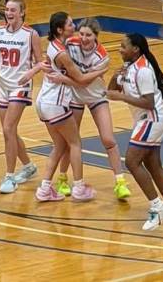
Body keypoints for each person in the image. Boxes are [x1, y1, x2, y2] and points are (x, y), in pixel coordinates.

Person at [106, 33, 163, 232]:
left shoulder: (143, 70)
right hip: (146, 119)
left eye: (123, 46)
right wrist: (115, 76)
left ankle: (157, 206)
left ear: (135, 49)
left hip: (152, 118)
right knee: (153, 164)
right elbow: (111, 91)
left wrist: (122, 97)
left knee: (132, 161)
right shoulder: (129, 67)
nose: (119, 49)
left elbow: (148, 102)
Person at [30, 12, 108, 202]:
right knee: (75, 143)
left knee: (59, 146)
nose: (74, 27)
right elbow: (80, 80)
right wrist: (100, 71)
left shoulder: (55, 45)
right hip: (56, 103)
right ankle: (79, 188)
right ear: (60, 29)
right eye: (70, 24)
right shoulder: (63, 53)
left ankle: (44, 189)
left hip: (43, 101)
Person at [52, 18, 132, 200]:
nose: (84, 38)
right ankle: (63, 179)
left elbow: (85, 81)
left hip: (96, 96)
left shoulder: (103, 56)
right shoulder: (70, 44)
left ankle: (120, 183)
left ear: (96, 36)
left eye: (88, 35)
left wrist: (65, 79)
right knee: (69, 141)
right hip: (75, 98)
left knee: (108, 139)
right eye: (81, 34)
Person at [0, 0, 40, 194]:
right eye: (7, 10)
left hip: (20, 85)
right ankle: (28, 166)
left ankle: (9, 176)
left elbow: (40, 62)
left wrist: (30, 73)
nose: (9, 13)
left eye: (13, 10)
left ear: (22, 12)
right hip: (3, 84)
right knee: (8, 131)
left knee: (8, 128)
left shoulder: (30, 34)